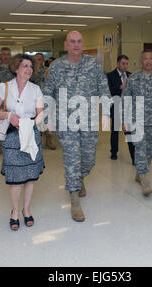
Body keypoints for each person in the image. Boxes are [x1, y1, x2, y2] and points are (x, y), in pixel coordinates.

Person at [43, 31, 111, 222]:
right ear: (66, 45)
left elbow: (104, 88)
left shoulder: (93, 64)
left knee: (88, 160)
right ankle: (74, 199)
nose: (76, 44)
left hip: (89, 120)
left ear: (83, 44)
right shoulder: (56, 67)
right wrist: (47, 118)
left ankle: (81, 178)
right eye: (72, 41)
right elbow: (47, 92)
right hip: (66, 122)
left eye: (79, 41)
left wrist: (105, 112)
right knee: (72, 159)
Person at [0, 54, 44, 231]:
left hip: (30, 135)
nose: (29, 70)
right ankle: (14, 211)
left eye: (30, 67)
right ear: (16, 68)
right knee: (14, 178)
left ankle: (26, 209)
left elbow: (41, 112)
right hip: (12, 136)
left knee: (29, 176)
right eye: (25, 66)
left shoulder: (36, 89)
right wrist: (9, 116)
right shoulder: (4, 87)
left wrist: (31, 124)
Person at [121, 50, 152, 196]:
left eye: (151, 58)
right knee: (140, 149)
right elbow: (125, 99)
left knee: (150, 150)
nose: (148, 61)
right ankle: (144, 178)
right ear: (141, 61)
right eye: (145, 59)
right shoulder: (133, 78)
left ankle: (140, 172)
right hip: (136, 120)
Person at [106, 55, 135, 163]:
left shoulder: (131, 76)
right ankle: (114, 152)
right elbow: (108, 91)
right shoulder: (110, 75)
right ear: (118, 64)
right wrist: (121, 87)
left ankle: (133, 156)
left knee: (129, 132)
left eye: (127, 63)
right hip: (116, 106)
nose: (125, 66)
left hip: (127, 108)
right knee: (115, 131)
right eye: (123, 63)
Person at [30, 53, 57, 150]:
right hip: (33, 100)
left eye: (40, 59)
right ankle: (34, 141)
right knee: (35, 120)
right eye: (36, 59)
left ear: (43, 60)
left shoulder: (48, 71)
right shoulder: (30, 71)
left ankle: (49, 141)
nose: (38, 61)